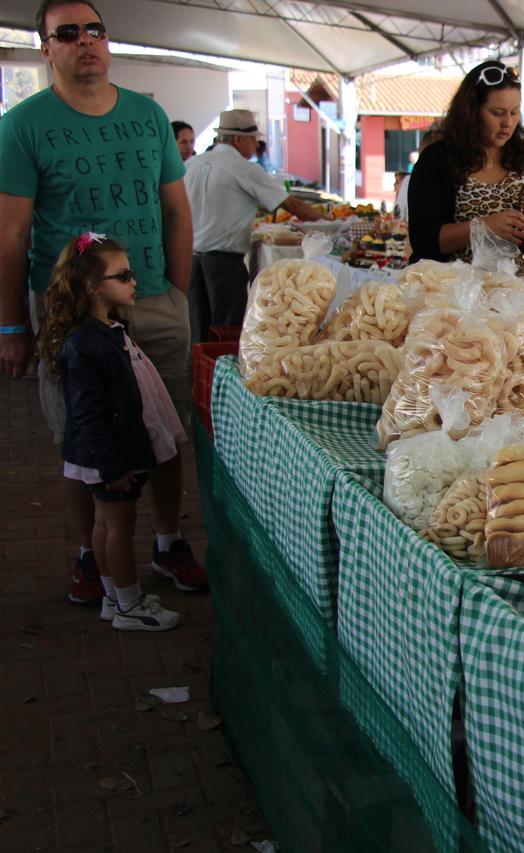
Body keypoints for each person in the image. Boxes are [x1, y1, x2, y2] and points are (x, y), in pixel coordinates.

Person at [0, 0, 206, 604]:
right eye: (68, 33)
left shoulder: (148, 115)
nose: (86, 41)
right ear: (46, 49)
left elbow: (176, 208)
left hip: (152, 302)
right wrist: (11, 324)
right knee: (82, 437)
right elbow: (11, 233)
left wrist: (172, 287)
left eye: (95, 30)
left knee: (169, 429)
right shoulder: (23, 125)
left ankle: (168, 542)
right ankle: (92, 553)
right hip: (69, 312)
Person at [38, 234, 183, 630]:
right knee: (118, 526)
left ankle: (113, 595)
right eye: (123, 276)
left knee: (106, 524)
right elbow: (88, 414)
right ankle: (129, 604)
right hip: (109, 455)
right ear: (93, 288)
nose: (134, 282)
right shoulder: (86, 345)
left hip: (109, 452)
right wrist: (111, 465)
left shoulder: (109, 328)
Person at [407, 61, 524, 283]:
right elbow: (424, 239)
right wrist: (483, 227)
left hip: (521, 296)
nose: (508, 123)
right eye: (497, 113)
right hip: (453, 297)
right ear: (471, 111)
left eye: (514, 112)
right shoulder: (438, 159)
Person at [183, 109, 322, 343]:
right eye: (254, 140)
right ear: (238, 139)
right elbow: (290, 204)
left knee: (199, 331)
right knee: (227, 332)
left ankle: (200, 378)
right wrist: (329, 222)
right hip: (223, 263)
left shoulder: (192, 164)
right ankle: (222, 377)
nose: (256, 145)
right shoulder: (244, 168)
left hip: (192, 260)